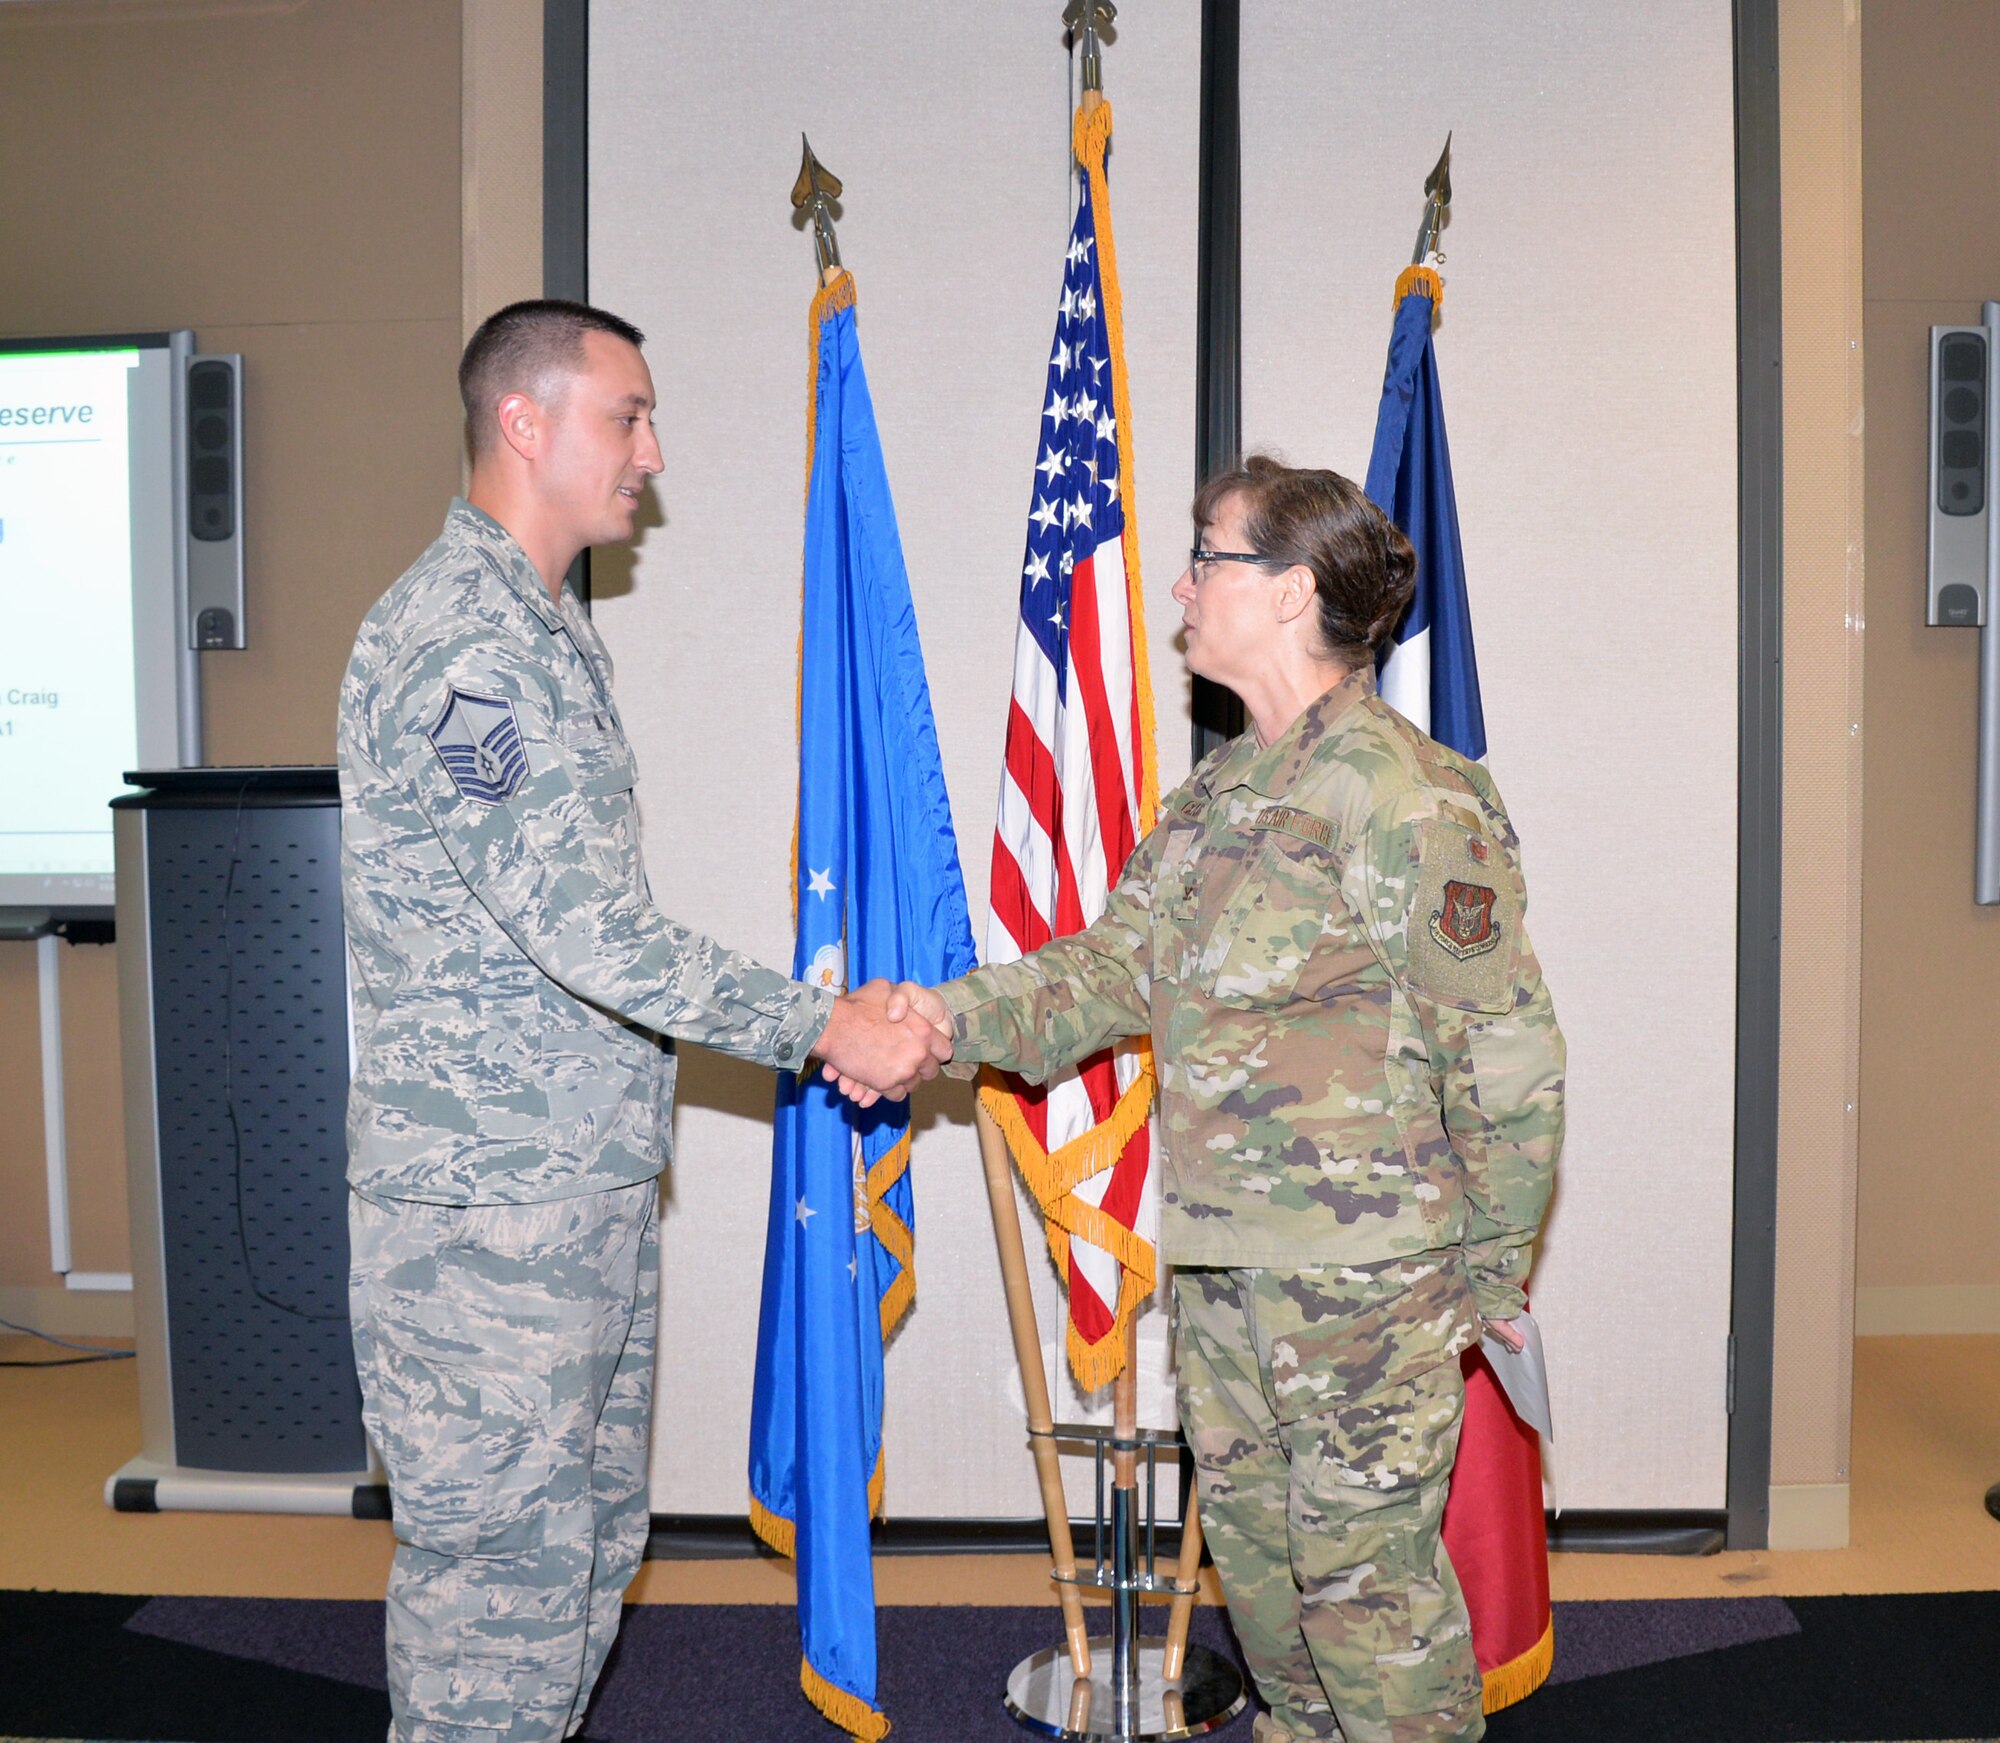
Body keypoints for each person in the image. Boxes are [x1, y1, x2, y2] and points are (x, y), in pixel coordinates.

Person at [336, 298, 949, 1743]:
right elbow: (591, 932)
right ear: (524, 422)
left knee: (578, 1570)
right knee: (497, 1600)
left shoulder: (544, 627)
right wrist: (825, 1026)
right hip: (485, 1221)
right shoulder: (464, 641)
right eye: (629, 417)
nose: (653, 453)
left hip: (569, 1194)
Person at [888, 457, 1564, 1743]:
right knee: (1265, 1604)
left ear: (1291, 590)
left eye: (1207, 557)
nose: (1183, 588)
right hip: (1222, 1272)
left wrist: (1484, 1276)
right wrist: (936, 1019)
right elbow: (1103, 973)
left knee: (1370, 1614)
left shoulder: (1400, 794)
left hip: (1367, 1288)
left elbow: (1510, 1056)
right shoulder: (1208, 806)